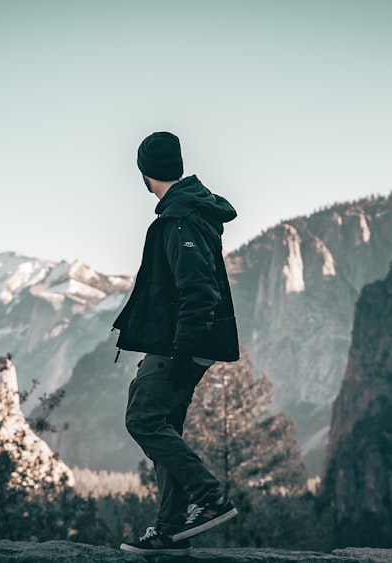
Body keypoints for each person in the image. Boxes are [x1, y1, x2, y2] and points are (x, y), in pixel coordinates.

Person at [114, 131, 241, 556]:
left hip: (181, 343)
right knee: (165, 427)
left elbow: (199, 291)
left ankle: (210, 499)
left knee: (143, 419)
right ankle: (170, 530)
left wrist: (183, 353)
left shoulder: (180, 219)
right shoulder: (191, 211)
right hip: (183, 341)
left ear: (145, 173)